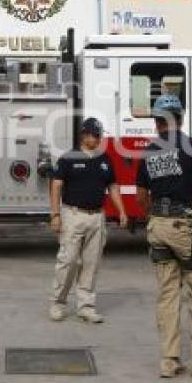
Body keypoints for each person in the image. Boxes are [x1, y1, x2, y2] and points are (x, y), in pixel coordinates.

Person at [135, 94, 192, 378]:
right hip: (186, 228)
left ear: (157, 122)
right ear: (181, 118)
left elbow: (141, 196)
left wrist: (154, 217)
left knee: (167, 295)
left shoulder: (149, 152)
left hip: (158, 227)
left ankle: (168, 361)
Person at [48, 117, 128, 323]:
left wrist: (121, 211)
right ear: (84, 135)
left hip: (97, 217)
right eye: (95, 135)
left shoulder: (104, 159)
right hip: (73, 215)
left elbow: (112, 187)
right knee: (68, 261)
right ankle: (58, 303)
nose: (99, 139)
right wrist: (55, 215)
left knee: (92, 264)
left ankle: (86, 306)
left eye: (100, 135)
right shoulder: (68, 158)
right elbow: (56, 186)